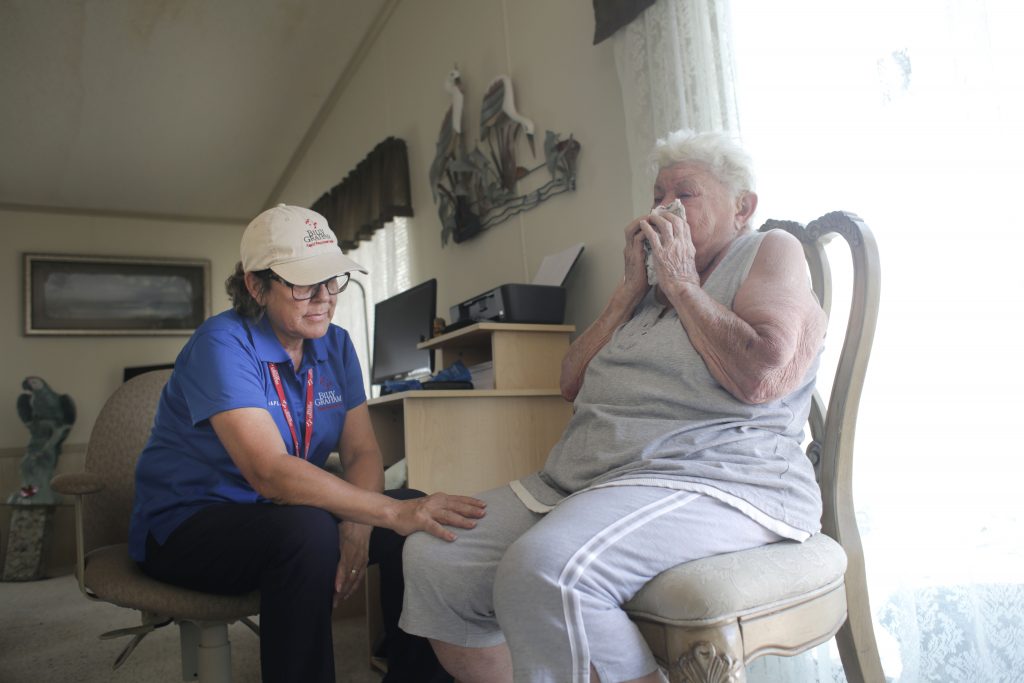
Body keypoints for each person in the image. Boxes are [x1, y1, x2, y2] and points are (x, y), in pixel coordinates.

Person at [399, 130, 828, 683]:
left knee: (546, 570)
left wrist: (679, 284)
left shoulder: (768, 250)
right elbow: (570, 381)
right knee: (437, 557)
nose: (665, 207)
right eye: (657, 194)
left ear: (742, 207)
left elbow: (762, 375)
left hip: (711, 475)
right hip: (589, 478)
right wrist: (628, 290)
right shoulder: (647, 288)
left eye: (686, 193)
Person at [128, 204, 486, 683]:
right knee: (314, 530)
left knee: (420, 518)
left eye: (333, 280)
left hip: (282, 514)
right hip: (186, 524)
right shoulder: (221, 343)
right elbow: (269, 473)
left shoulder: (336, 345)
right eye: (303, 284)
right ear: (255, 285)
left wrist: (361, 526)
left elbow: (361, 451)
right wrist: (383, 512)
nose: (323, 298)